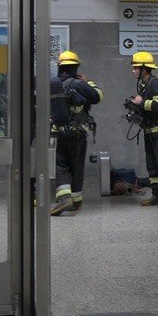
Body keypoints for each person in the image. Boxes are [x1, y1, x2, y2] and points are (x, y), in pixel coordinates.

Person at [50, 50, 102, 216]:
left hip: (57, 133)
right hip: (78, 134)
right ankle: (76, 201)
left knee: (60, 164)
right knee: (77, 166)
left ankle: (64, 198)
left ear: (60, 67)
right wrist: (89, 83)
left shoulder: (52, 84)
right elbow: (98, 96)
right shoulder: (78, 84)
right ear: (75, 67)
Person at [129, 51, 158, 206]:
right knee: (152, 166)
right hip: (149, 131)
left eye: (135, 68)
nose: (133, 71)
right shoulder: (143, 85)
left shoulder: (155, 83)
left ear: (144, 69)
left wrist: (142, 103)